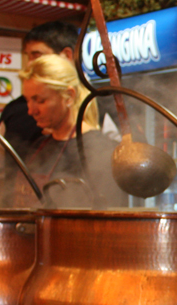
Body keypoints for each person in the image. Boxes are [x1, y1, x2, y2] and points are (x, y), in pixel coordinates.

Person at [0, 20, 79, 180]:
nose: (29, 64)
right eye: (28, 56)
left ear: (66, 56)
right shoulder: (17, 109)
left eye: (37, 56)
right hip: (21, 201)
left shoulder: (98, 105)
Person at [13, 54, 127, 209]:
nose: (31, 111)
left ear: (69, 96)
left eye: (40, 101)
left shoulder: (101, 150)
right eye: (28, 100)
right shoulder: (39, 145)